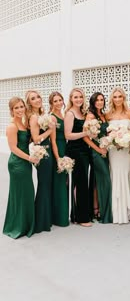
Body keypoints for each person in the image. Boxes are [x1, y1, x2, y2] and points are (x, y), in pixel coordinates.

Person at [3, 97, 38, 239]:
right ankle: (17, 226)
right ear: (11, 110)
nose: (19, 110)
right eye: (16, 108)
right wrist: (30, 158)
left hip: (25, 163)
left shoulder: (23, 123)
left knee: (27, 193)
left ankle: (26, 224)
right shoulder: (12, 126)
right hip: (17, 164)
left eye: (21, 106)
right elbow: (13, 148)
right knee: (20, 194)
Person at [25, 90, 55, 234]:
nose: (37, 100)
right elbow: (36, 139)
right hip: (41, 153)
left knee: (46, 185)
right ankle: (40, 222)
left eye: (37, 97)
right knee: (44, 185)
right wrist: (51, 130)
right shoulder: (33, 117)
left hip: (47, 152)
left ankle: (46, 218)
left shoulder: (41, 114)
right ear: (29, 102)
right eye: (33, 98)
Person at [106, 87, 130, 224]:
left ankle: (127, 211)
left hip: (127, 150)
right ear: (112, 99)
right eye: (115, 97)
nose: (117, 99)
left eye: (120, 97)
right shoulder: (108, 115)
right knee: (115, 174)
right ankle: (116, 212)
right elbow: (105, 135)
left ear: (124, 98)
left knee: (126, 173)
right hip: (113, 150)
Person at [83, 92, 113, 223]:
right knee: (104, 179)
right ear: (93, 102)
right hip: (96, 152)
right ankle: (102, 211)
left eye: (102, 100)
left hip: (106, 150)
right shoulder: (90, 115)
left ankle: (96, 209)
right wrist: (98, 149)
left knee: (97, 180)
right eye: (97, 100)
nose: (100, 102)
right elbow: (85, 136)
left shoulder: (103, 115)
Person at [64, 88, 92, 227]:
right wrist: (85, 133)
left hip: (84, 150)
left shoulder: (83, 112)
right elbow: (68, 135)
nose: (79, 99)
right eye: (76, 97)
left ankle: (78, 215)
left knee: (82, 182)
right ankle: (81, 217)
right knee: (80, 182)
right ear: (71, 99)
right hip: (75, 150)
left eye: (80, 97)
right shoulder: (70, 114)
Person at [49, 91, 69, 227]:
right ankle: (59, 218)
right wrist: (58, 158)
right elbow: (53, 140)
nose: (58, 103)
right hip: (58, 150)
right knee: (59, 183)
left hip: (65, 148)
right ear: (51, 103)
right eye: (55, 101)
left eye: (60, 100)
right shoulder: (52, 118)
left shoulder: (64, 114)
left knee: (64, 182)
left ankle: (61, 215)